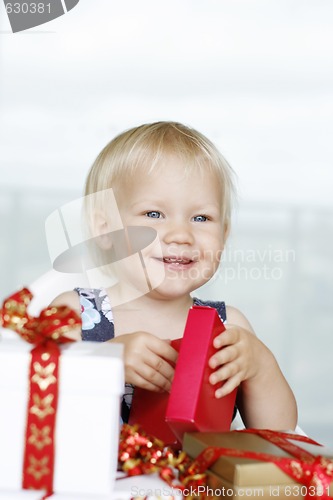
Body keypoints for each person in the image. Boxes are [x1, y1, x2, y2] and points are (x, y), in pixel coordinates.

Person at [51, 121, 298, 430]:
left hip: (195, 480)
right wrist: (103, 361)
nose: (181, 234)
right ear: (105, 230)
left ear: (224, 233)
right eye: (154, 214)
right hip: (94, 478)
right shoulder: (75, 314)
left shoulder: (227, 326)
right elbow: (30, 404)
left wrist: (261, 367)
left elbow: (278, 434)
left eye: (201, 217)